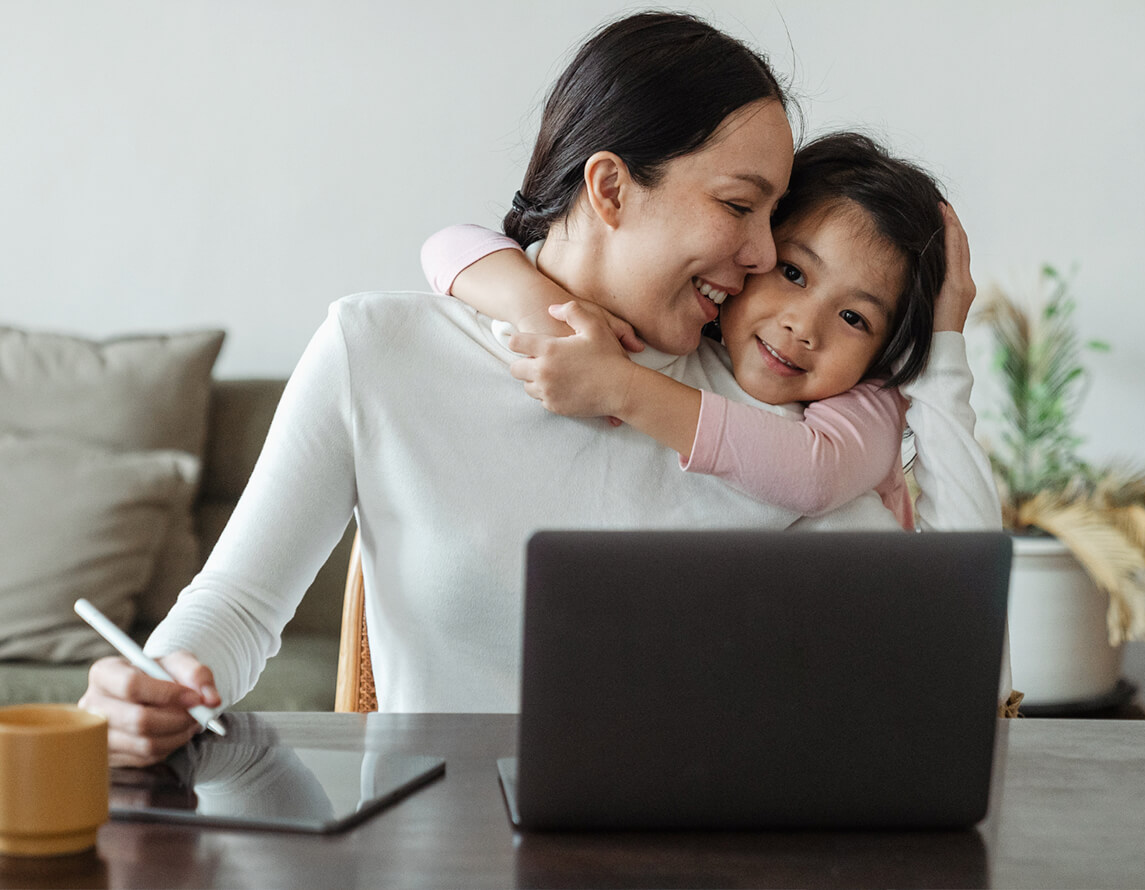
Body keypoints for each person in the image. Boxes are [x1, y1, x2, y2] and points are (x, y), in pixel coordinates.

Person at [80, 11, 1003, 768]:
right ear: (610, 187)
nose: (763, 256)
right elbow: (238, 608)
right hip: (438, 857)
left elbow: (953, 656)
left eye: (773, 217)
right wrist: (156, 680)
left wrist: (945, 353)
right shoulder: (379, 351)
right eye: (737, 206)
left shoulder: (779, 415)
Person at [421, 132, 974, 527]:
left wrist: (620, 387)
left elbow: (816, 475)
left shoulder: (868, 399)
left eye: (855, 318)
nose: (803, 327)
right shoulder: (692, 330)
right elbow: (448, 243)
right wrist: (545, 311)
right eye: (793, 272)